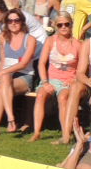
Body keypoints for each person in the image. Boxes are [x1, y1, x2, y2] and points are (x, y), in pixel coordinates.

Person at [30, 12, 81, 143]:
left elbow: (83, 67)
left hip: (68, 80)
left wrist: (75, 79)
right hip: (51, 79)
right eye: (60, 25)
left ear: (71, 25)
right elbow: (41, 63)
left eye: (66, 24)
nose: (63, 27)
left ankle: (66, 133)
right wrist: (45, 82)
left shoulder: (77, 44)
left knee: (63, 97)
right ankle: (36, 132)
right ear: (56, 26)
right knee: (41, 94)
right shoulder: (50, 41)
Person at [0, 8, 39, 136]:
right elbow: (3, 61)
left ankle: (3, 123)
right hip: (6, 77)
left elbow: (23, 64)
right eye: (10, 21)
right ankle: (4, 122)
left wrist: (0, 74)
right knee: (0, 86)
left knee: (2, 82)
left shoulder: (30, 39)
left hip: (24, 76)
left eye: (16, 20)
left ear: (22, 21)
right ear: (6, 23)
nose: (13, 23)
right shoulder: (3, 37)